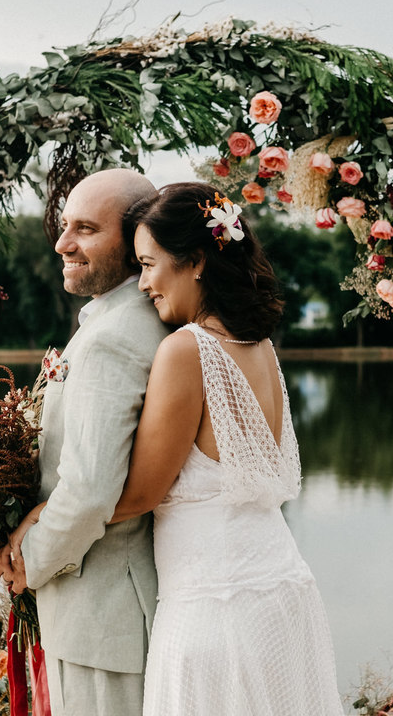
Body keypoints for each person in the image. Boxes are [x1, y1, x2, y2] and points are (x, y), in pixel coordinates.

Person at [114, 182, 344, 714]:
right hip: (282, 593)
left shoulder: (186, 351)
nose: (142, 284)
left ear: (196, 261)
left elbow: (139, 495)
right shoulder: (260, 347)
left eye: (147, 265)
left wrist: (41, 516)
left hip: (216, 610)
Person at [0, 168, 169, 716]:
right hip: (112, 609)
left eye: (86, 229)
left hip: (106, 615)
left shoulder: (113, 338)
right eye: (65, 225)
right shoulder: (129, 320)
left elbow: (90, 489)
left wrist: (28, 561)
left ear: (137, 239)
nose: (62, 243)